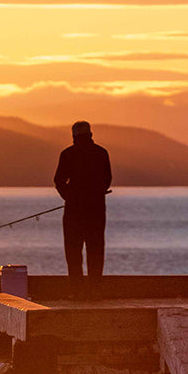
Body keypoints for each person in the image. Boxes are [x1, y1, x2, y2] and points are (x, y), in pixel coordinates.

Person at [53, 120, 112, 281]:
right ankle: (95, 288)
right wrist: (96, 193)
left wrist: (70, 197)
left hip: (73, 211)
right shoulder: (101, 153)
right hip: (96, 211)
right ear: (90, 135)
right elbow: (107, 179)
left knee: (73, 253)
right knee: (96, 251)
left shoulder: (67, 154)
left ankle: (76, 289)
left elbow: (59, 180)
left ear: (73, 136)